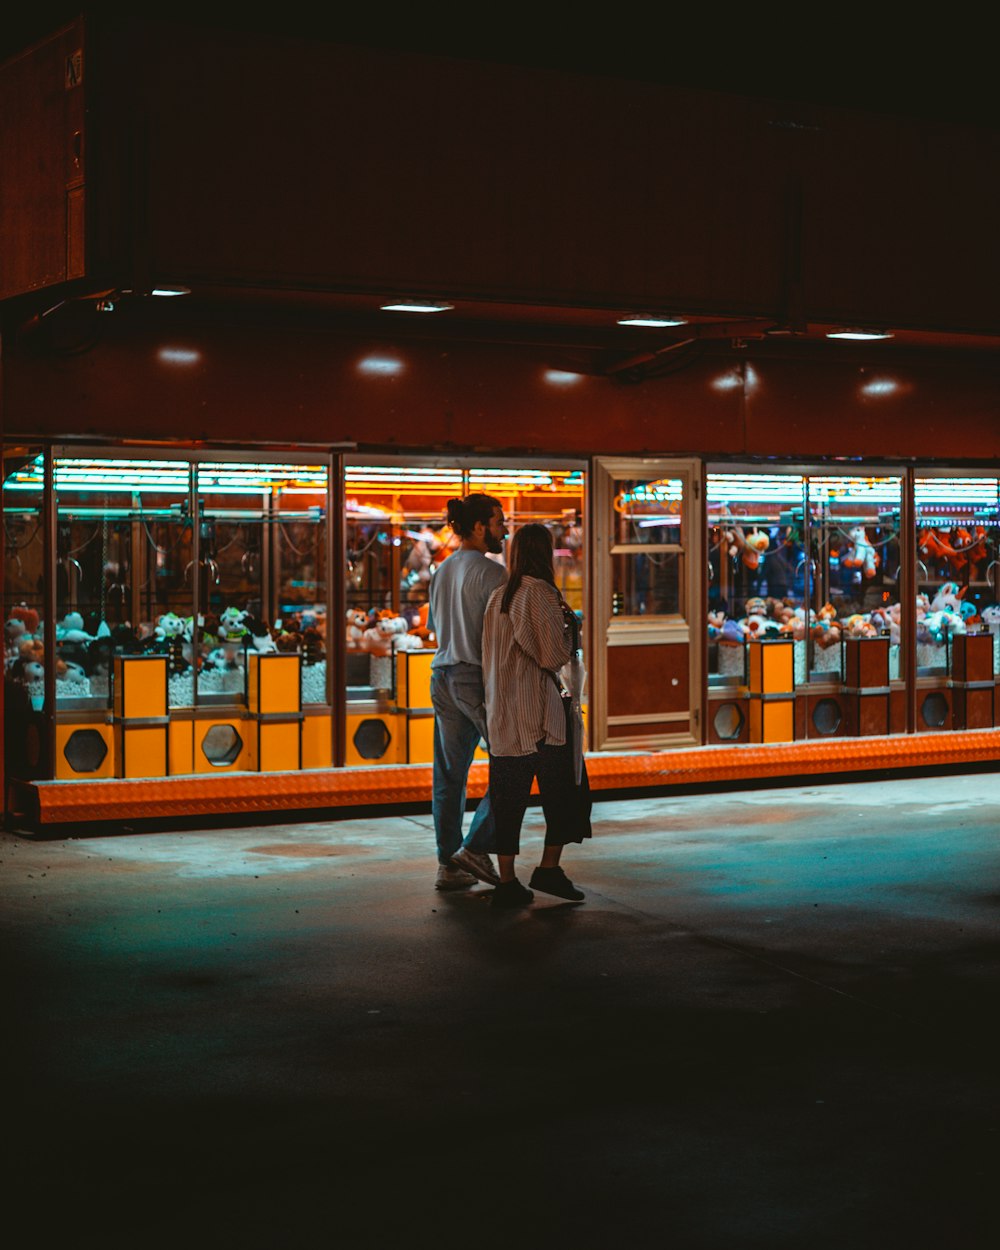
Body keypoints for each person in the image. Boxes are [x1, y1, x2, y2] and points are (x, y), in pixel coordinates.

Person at [481, 522, 592, 909]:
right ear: (545, 553)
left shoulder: (499, 596)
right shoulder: (541, 593)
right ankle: (548, 868)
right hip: (542, 716)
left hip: (503, 714)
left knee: (507, 799)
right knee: (568, 793)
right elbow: (553, 656)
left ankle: (507, 881)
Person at [428, 493, 508, 891]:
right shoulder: (494, 575)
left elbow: (435, 628)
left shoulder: (441, 572)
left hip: (441, 676)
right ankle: (476, 847)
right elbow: (505, 636)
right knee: (512, 762)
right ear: (479, 526)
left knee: (449, 776)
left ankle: (449, 865)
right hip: (474, 677)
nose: (503, 530)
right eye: (498, 522)